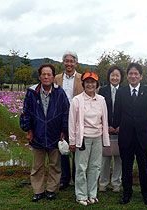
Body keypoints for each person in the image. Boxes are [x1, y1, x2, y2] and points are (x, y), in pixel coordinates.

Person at [20, 63, 69, 202]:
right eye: (43, 74)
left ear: (53, 77)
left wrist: (63, 131)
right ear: (40, 76)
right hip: (37, 134)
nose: (46, 77)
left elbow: (66, 112)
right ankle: (38, 191)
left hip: (55, 133)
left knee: (55, 165)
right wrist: (29, 131)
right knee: (37, 166)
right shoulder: (31, 92)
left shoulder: (60, 92)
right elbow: (26, 113)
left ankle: (52, 190)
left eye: (49, 74)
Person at [113, 63, 147, 206]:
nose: (133, 76)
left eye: (136, 74)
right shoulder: (121, 92)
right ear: (127, 76)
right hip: (126, 135)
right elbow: (118, 112)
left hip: (143, 136)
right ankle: (127, 193)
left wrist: (140, 123)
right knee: (126, 166)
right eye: (130, 73)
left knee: (144, 166)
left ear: (141, 76)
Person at [68, 72, 110, 206]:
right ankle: (81, 195)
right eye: (87, 82)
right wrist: (72, 141)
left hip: (97, 137)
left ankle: (92, 194)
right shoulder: (77, 100)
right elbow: (72, 122)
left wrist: (105, 139)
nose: (90, 84)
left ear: (97, 84)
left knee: (95, 167)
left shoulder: (101, 100)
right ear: (83, 84)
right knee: (81, 167)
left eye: (93, 82)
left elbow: (105, 120)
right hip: (83, 138)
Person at [54, 51, 83, 190]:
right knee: (63, 148)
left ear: (76, 63)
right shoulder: (57, 79)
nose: (69, 64)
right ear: (63, 63)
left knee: (78, 149)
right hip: (61, 118)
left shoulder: (82, 78)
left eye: (72, 61)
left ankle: (77, 178)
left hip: (78, 118)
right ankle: (64, 179)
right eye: (66, 61)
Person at [98, 66, 124, 193]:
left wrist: (121, 126)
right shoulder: (102, 91)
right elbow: (99, 110)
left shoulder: (124, 91)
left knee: (119, 158)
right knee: (105, 158)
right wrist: (105, 125)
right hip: (106, 129)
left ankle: (116, 183)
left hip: (120, 130)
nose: (115, 77)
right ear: (109, 77)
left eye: (117, 75)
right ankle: (103, 182)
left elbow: (127, 111)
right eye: (112, 75)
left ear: (121, 77)